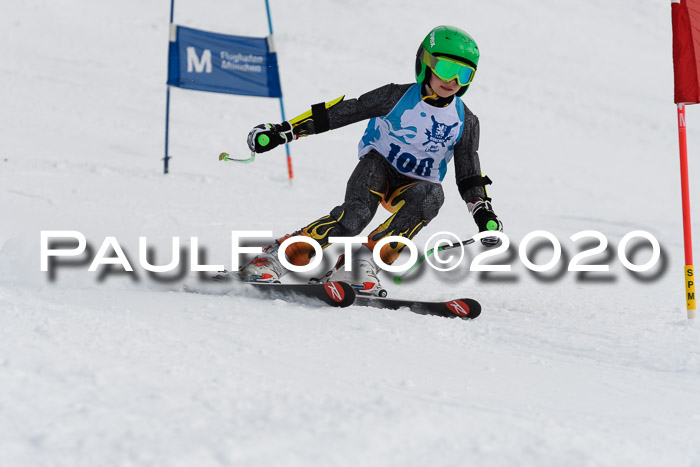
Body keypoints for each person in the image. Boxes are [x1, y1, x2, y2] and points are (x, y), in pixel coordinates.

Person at [239, 25, 503, 294]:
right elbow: (344, 111)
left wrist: (482, 211)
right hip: (378, 167)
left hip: (415, 185)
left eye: (464, 74)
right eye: (447, 69)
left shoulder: (465, 121)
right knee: (355, 216)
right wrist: (285, 132)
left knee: (433, 196)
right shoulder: (395, 97)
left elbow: (468, 172)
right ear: (426, 63)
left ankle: (358, 265)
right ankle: (272, 258)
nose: (453, 81)